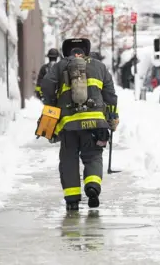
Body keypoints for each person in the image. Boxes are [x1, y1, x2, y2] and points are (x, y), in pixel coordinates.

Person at [40, 38, 119, 211]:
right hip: (96, 124)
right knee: (93, 156)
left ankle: (72, 199)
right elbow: (110, 96)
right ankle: (92, 187)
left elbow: (46, 86)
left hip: (69, 125)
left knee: (69, 159)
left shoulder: (60, 66)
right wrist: (112, 117)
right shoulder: (99, 67)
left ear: (66, 51)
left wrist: (52, 102)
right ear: (87, 50)